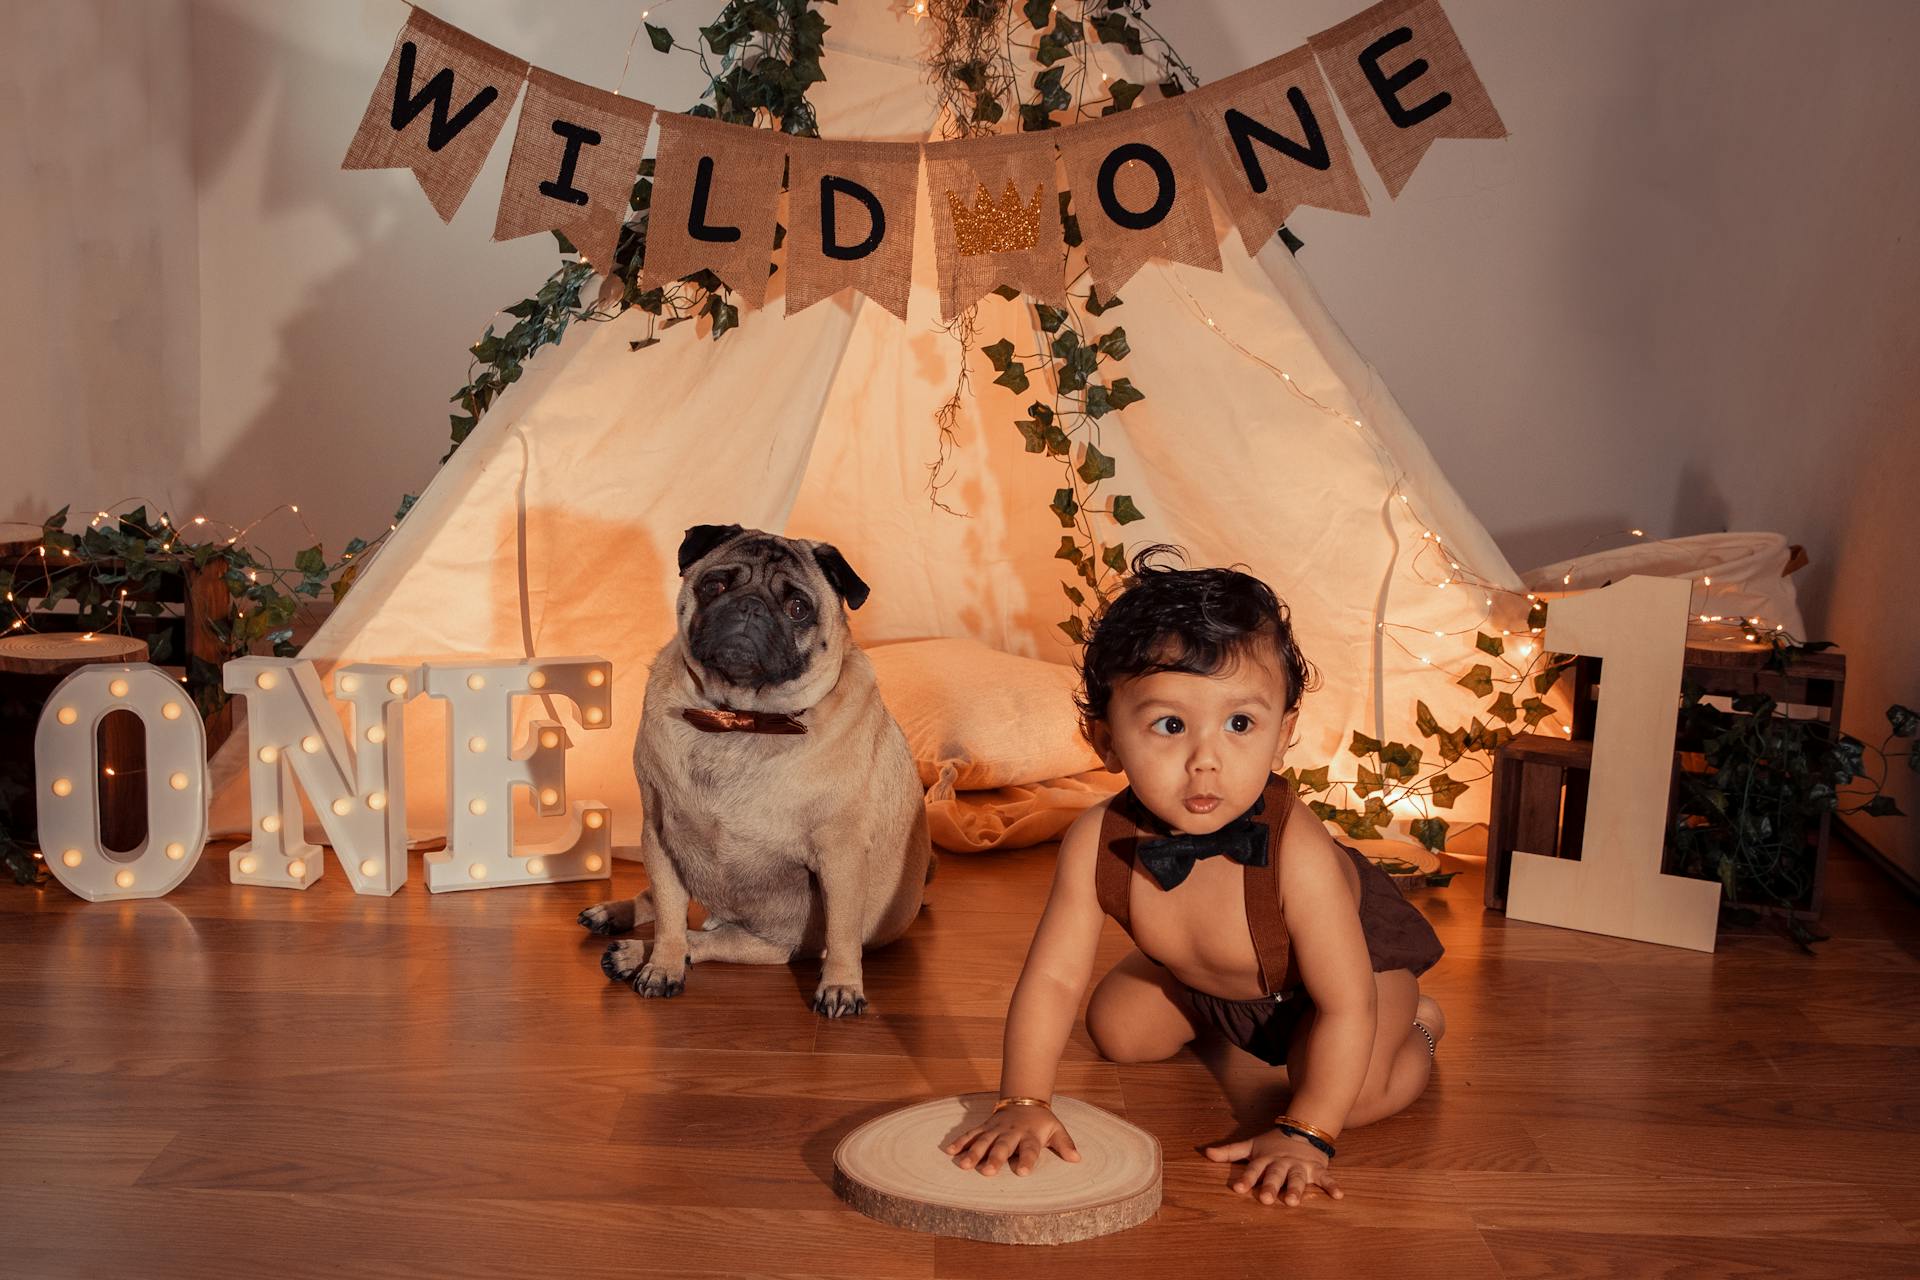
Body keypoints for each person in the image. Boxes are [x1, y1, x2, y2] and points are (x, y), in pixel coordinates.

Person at [945, 548, 1446, 1208]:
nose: (1205, 760)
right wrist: (1023, 1099)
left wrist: (1308, 1132)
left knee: (1342, 1089)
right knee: (1120, 1032)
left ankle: (1418, 1028)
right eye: (1169, 725)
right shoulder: (1096, 839)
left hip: (1343, 988)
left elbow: (1345, 1001)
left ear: (1281, 735)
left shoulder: (1297, 849)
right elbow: (1054, 976)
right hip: (1217, 983)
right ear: (1105, 740)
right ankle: (1207, 995)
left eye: (1240, 723)